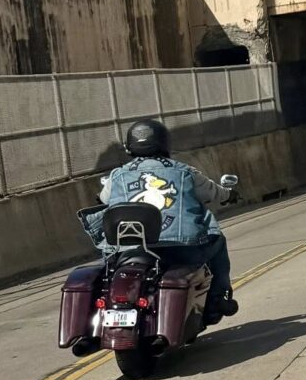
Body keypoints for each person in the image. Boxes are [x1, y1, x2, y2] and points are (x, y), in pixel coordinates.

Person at [100, 119, 238, 325]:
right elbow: (215, 193)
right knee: (217, 241)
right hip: (180, 248)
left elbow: (102, 199)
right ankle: (218, 300)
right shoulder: (184, 172)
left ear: (130, 146)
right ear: (164, 143)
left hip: (131, 249)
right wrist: (230, 194)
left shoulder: (117, 175)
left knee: (108, 270)